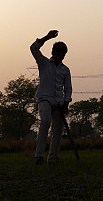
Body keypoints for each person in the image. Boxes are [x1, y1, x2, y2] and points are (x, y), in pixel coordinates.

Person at [31, 30, 72, 165]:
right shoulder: (43, 63)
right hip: (44, 99)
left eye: (63, 55)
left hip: (59, 102)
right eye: (59, 54)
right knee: (45, 122)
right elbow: (33, 48)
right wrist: (47, 37)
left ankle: (52, 159)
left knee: (58, 130)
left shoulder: (65, 70)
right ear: (53, 53)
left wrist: (66, 103)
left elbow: (68, 88)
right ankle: (39, 156)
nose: (61, 57)